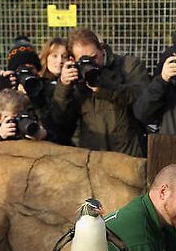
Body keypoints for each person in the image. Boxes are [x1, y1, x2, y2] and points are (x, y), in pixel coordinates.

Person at [53, 28, 148, 157]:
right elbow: (60, 121)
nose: (92, 63)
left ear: (101, 49)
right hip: (92, 157)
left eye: (94, 57)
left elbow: (143, 100)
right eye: (84, 60)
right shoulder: (74, 78)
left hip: (128, 154)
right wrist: (64, 86)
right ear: (73, 59)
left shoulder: (128, 66)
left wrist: (104, 86)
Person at [0, 88, 49, 186]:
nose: (17, 122)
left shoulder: (29, 124)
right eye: (12, 119)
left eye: (19, 117)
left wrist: (44, 135)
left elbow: (64, 143)